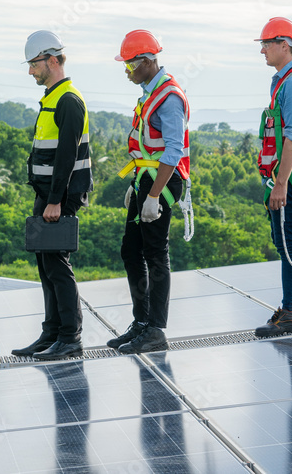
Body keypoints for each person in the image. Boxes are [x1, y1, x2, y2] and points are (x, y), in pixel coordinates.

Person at [11, 30, 92, 361]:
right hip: (48, 195)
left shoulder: (68, 100)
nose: (31, 71)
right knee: (46, 264)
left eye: (34, 64)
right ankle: (52, 333)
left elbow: (67, 156)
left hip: (61, 196)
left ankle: (70, 337)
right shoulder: (53, 98)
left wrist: (56, 200)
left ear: (53, 60)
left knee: (57, 263)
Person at [109, 30, 190, 354]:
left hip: (163, 182)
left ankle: (156, 329)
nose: (126, 72)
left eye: (129, 65)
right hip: (146, 178)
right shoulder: (149, 92)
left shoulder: (168, 97)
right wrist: (139, 187)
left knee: (156, 254)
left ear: (146, 62)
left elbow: (173, 151)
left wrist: (154, 195)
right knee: (131, 250)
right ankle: (141, 322)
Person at [253, 17, 292, 338]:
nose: (262, 50)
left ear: (284, 46)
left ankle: (290, 313)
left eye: (266, 44)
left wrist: (280, 184)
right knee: (284, 242)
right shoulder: (282, 80)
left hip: (287, 179)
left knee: (288, 243)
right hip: (282, 177)